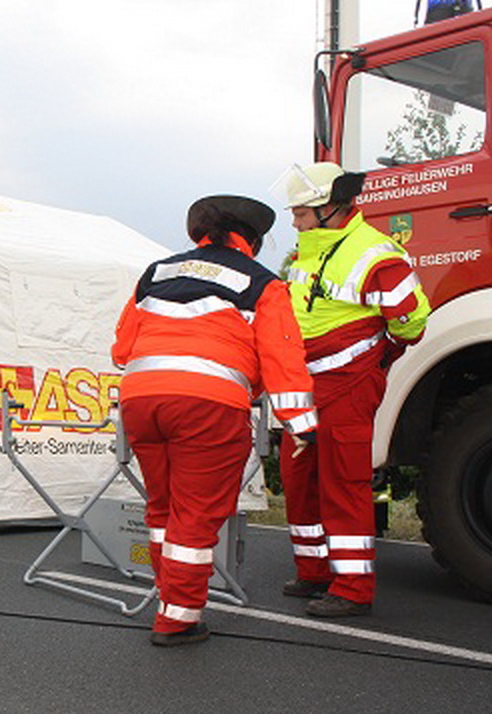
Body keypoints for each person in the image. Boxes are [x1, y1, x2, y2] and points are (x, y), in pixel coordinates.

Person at [111, 195, 318, 646]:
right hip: (209, 404)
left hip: (142, 400)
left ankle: (170, 598)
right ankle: (177, 619)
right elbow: (283, 358)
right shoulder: (263, 284)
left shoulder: (157, 273)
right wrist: (302, 424)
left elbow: (122, 349)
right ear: (252, 240)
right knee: (197, 516)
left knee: (164, 510)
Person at [274, 163, 430, 617]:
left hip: (348, 382)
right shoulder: (310, 250)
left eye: (302, 213)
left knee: (343, 480)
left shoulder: (376, 252)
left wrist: (379, 354)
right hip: (305, 383)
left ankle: (353, 587)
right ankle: (314, 571)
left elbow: (412, 320)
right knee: (299, 477)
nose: (295, 222)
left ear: (331, 208)